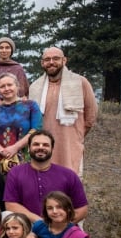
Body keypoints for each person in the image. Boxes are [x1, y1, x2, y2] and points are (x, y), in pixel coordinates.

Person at [29, 47, 97, 176]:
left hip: (69, 145)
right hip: (42, 147)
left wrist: (76, 135)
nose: (51, 62)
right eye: (47, 59)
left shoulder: (80, 82)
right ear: (42, 63)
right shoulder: (34, 87)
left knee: (69, 184)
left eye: (56, 58)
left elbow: (90, 117)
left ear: (64, 60)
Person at [3, 130, 88, 224]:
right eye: (36, 144)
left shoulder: (69, 175)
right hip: (27, 229)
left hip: (61, 230)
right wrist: (41, 223)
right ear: (28, 148)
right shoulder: (15, 173)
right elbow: (10, 205)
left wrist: (60, 227)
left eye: (45, 145)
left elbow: (82, 209)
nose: (41, 147)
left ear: (52, 149)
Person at [0, 73, 42, 172]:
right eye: (2, 86)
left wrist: (15, 147)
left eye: (10, 85)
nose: (6, 88)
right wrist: (2, 150)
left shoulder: (31, 106)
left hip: (24, 157)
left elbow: (37, 129)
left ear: (17, 86)